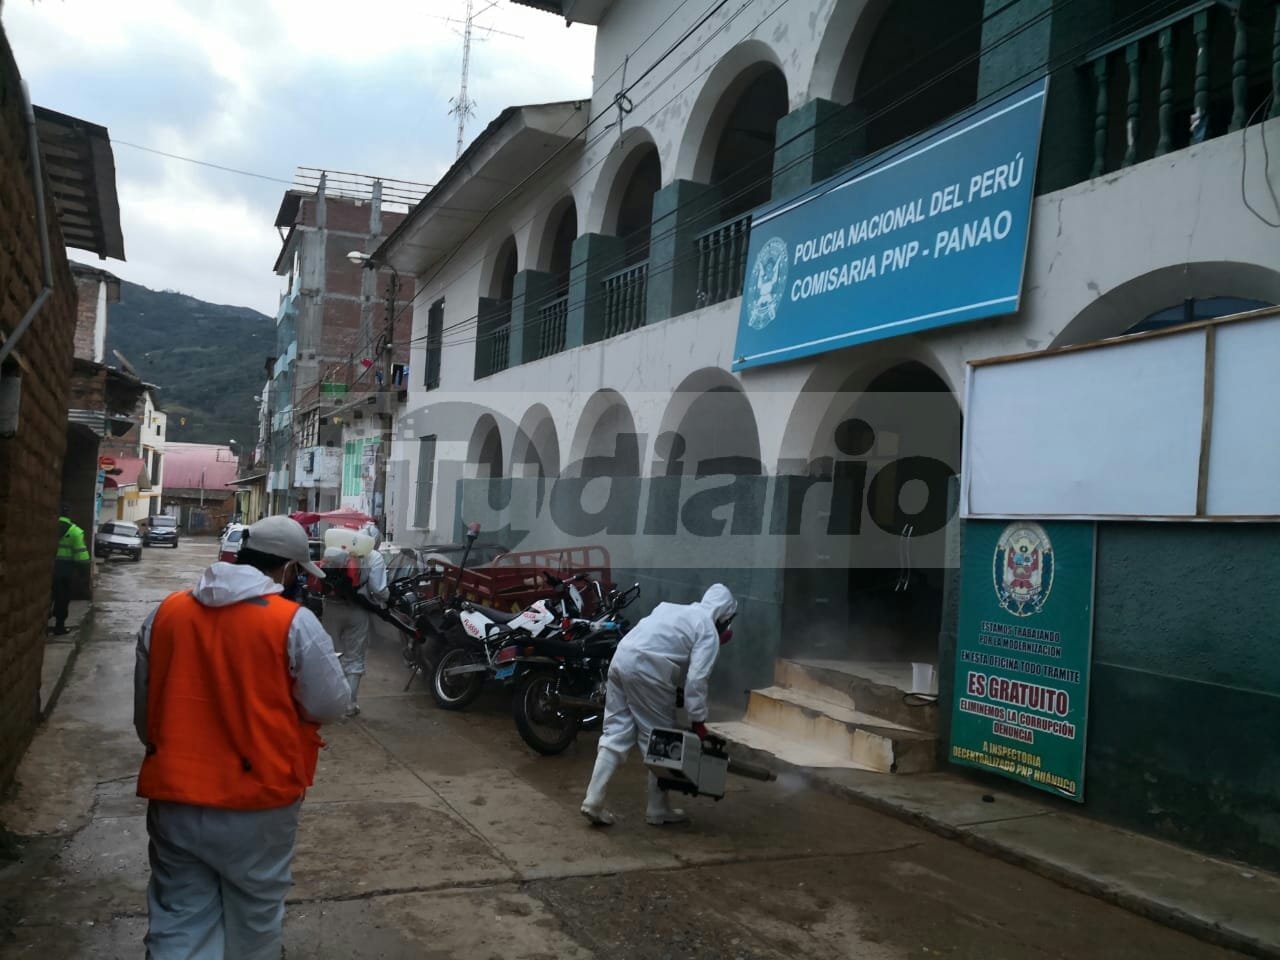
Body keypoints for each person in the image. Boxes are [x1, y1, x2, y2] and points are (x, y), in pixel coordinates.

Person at [133, 515, 350, 960]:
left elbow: (146, 716)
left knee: (178, 915)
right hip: (260, 800)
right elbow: (330, 705)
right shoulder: (294, 623)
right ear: (289, 569)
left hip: (174, 793)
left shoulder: (166, 612)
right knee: (254, 914)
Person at [580, 583, 737, 827]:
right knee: (660, 739)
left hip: (621, 660)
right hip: (649, 669)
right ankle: (657, 808)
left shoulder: (670, 609)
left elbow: (663, 643)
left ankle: (593, 799)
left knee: (616, 732)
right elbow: (697, 680)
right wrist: (698, 722)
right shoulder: (707, 629)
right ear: (725, 616)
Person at [322, 522, 389, 718]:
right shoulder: (374, 556)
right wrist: (387, 599)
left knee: (332, 655)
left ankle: (329, 701)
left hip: (331, 608)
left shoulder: (337, 550)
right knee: (354, 658)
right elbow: (379, 589)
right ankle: (349, 704)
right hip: (358, 611)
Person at [51, 504, 90, 635]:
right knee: (62, 599)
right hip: (65, 572)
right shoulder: (75, 532)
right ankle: (59, 626)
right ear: (69, 515)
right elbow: (82, 556)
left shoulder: (47, 526)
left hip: (47, 571)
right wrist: (83, 574)